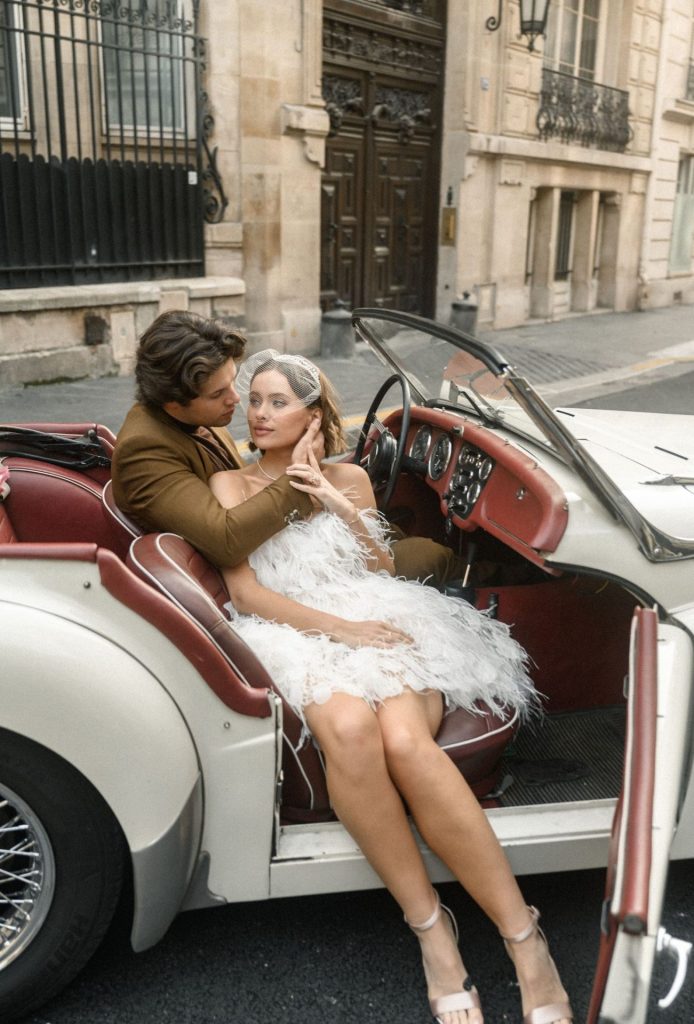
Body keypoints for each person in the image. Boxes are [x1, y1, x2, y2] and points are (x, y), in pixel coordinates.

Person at [208, 350, 573, 1024]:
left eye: (277, 401)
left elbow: (382, 564)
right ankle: (434, 931)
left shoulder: (348, 474)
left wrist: (332, 501)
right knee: (349, 729)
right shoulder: (230, 487)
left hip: (379, 612)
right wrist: (339, 631)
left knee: (406, 743)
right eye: (253, 400)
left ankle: (526, 940)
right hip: (297, 629)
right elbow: (247, 592)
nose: (258, 413)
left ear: (314, 414)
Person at [112, 309, 468, 583]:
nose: (237, 401)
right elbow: (225, 541)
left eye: (235, 384)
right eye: (219, 394)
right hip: (261, 573)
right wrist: (301, 475)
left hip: (293, 546)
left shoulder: (196, 417)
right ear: (174, 404)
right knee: (433, 555)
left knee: (407, 543)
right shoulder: (144, 449)